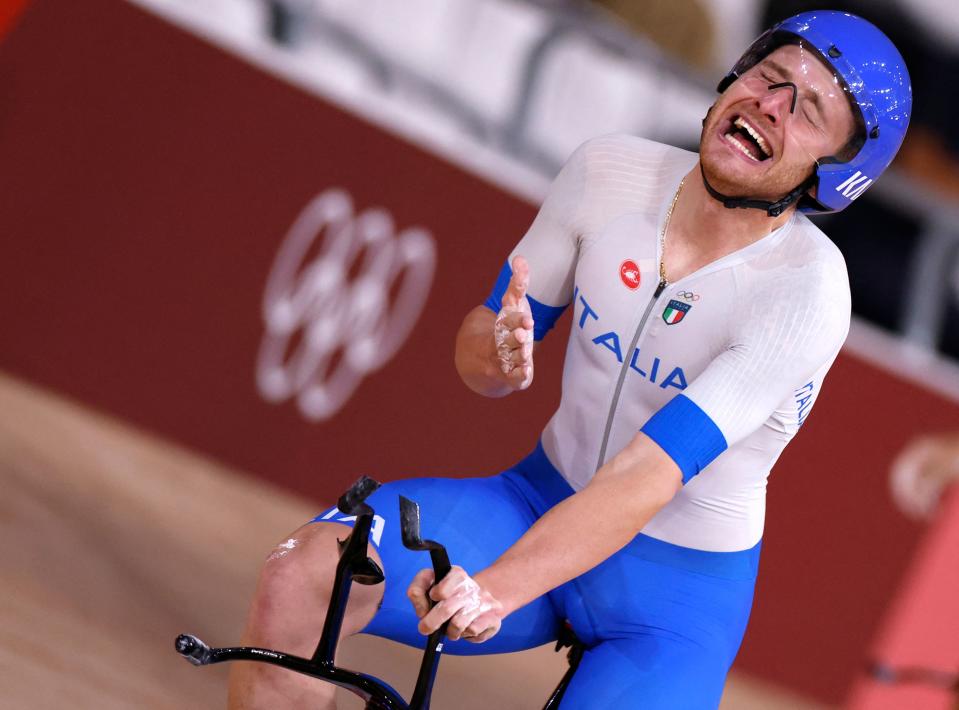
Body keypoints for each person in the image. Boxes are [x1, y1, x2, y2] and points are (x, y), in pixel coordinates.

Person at [228, 12, 912, 709]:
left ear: (835, 173)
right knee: (307, 577)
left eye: (807, 109)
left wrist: (497, 585)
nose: (770, 104)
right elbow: (479, 360)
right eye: (769, 77)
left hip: (671, 601)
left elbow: (649, 474)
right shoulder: (608, 172)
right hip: (533, 501)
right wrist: (494, 352)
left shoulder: (805, 292)